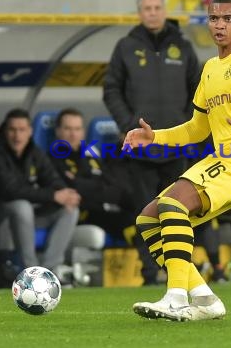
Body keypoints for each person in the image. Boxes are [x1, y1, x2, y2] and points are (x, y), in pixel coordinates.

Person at [124, 0, 231, 321]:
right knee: (148, 219)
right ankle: (204, 298)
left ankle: (175, 297)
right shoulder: (211, 68)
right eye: (214, 18)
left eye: (227, 19)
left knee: (172, 205)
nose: (219, 24)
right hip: (225, 158)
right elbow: (195, 130)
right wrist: (154, 136)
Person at [103, 0, 200, 284]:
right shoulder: (126, 47)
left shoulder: (183, 46)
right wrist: (127, 123)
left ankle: (179, 273)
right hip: (141, 148)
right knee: (144, 212)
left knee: (178, 211)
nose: (153, 12)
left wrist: (187, 125)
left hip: (175, 146)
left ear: (164, 9)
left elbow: (199, 90)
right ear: (140, 13)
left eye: (157, 7)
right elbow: (111, 89)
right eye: (147, 8)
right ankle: (148, 272)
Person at [49, 107, 163, 285]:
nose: (73, 134)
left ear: (83, 132)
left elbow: (111, 186)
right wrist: (96, 187)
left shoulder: (90, 153)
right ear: (58, 131)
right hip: (83, 212)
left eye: (77, 129)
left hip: (104, 208)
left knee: (142, 219)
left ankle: (158, 271)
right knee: (133, 223)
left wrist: (83, 184)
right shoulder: (53, 157)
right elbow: (72, 188)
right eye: (67, 129)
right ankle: (153, 274)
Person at [0, 109, 80, 279]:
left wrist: (65, 195)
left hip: (23, 217)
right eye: (12, 130)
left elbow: (53, 179)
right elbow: (10, 190)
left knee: (69, 210)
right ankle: (31, 271)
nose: (17, 135)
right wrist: (53, 196)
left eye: (22, 130)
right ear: (5, 131)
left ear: (30, 131)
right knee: (22, 206)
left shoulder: (33, 151)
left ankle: (50, 271)